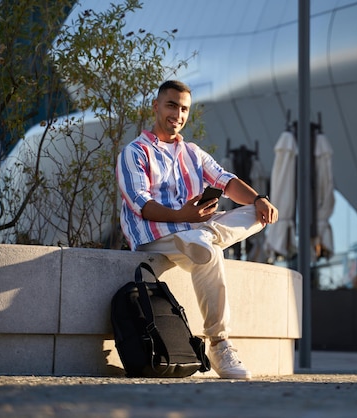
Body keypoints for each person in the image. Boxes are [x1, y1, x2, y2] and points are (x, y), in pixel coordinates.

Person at [116, 80, 278, 380]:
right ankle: (219, 344)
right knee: (209, 251)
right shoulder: (134, 152)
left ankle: (205, 236)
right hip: (155, 236)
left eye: (184, 109)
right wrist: (182, 214)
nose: (178, 114)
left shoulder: (192, 152)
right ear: (156, 106)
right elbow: (141, 204)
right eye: (171, 105)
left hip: (194, 233)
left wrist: (258, 199)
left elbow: (225, 181)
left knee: (254, 216)